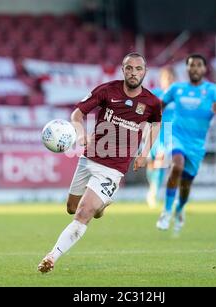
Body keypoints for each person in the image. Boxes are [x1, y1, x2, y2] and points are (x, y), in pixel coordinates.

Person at [37, 52, 162, 273]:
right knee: (71, 208)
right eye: (129, 68)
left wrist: (145, 153)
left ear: (145, 72)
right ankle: (102, 205)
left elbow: (155, 125)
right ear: (123, 70)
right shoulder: (106, 90)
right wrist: (80, 133)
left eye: (138, 69)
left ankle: (52, 257)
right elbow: (77, 114)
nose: (134, 73)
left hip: (114, 168)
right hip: (89, 159)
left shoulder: (152, 102)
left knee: (83, 212)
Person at [156, 53, 216, 233]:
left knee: (185, 187)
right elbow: (160, 104)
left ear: (204, 69)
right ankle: (166, 212)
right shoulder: (176, 89)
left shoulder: (214, 90)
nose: (195, 68)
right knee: (177, 165)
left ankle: (179, 208)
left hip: (197, 145)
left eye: (198, 65)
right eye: (191, 65)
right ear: (187, 69)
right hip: (176, 136)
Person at [146, 66, 176, 209]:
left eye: (171, 78)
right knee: (151, 164)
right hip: (153, 133)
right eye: (166, 79)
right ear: (161, 80)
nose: (169, 81)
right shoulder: (155, 94)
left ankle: (154, 193)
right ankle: (152, 186)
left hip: (168, 134)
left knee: (161, 161)